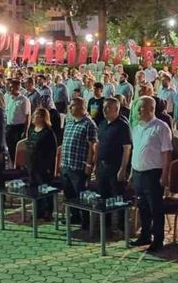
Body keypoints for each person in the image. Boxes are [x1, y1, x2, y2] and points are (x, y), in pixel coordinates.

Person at [129, 96, 173, 252]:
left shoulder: (161, 127)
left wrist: (165, 175)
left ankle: (158, 239)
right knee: (143, 207)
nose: (138, 111)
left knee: (156, 208)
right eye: (137, 107)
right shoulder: (136, 127)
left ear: (151, 108)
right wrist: (131, 172)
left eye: (141, 107)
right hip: (138, 172)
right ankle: (145, 235)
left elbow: (167, 153)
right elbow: (136, 150)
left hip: (153, 174)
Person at [61, 97, 98, 230]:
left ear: (82, 107)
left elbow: (92, 146)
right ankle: (74, 215)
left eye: (73, 105)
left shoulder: (89, 124)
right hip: (66, 163)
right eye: (70, 105)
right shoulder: (69, 121)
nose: (70, 108)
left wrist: (89, 165)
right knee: (69, 193)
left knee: (81, 194)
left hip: (79, 165)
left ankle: (86, 221)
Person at [95, 98, 132, 226]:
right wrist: (95, 164)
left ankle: (122, 227)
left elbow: (127, 148)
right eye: (104, 107)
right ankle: (106, 225)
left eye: (108, 108)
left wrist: (123, 169)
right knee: (103, 196)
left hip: (115, 167)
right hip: (102, 165)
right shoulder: (102, 124)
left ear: (116, 109)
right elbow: (98, 144)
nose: (104, 110)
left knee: (118, 197)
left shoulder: (122, 126)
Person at [25, 108, 57, 219]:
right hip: (32, 164)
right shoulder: (32, 130)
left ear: (43, 118)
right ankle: (38, 210)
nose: (34, 117)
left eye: (36, 115)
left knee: (45, 188)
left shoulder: (48, 133)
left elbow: (52, 151)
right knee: (34, 188)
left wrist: (50, 167)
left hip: (43, 165)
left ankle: (48, 211)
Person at [5, 79, 31, 164]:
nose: (10, 89)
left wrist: (25, 131)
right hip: (9, 127)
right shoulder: (8, 98)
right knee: (10, 148)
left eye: (12, 87)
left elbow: (28, 116)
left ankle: (20, 166)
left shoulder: (24, 100)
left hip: (19, 128)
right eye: (10, 87)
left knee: (18, 149)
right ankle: (13, 164)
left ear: (18, 88)